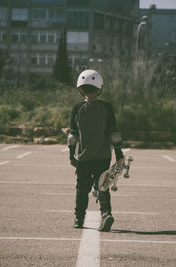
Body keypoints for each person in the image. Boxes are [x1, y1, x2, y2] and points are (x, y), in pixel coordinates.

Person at [67, 69, 124, 232]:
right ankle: (106, 214)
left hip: (83, 157)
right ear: (99, 88)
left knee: (82, 188)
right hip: (103, 156)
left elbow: (72, 136)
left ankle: (79, 219)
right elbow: (114, 133)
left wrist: (72, 155)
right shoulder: (107, 107)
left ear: (80, 89)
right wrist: (119, 154)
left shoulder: (77, 108)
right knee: (103, 185)